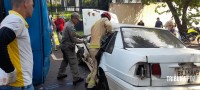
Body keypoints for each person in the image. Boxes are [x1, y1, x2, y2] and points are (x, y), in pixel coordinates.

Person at [0, 0, 34, 89]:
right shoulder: (15, 20)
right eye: (32, 4)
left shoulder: (13, 19)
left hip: (19, 84)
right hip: (19, 85)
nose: (33, 8)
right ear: (26, 3)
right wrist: (10, 71)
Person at [86, 12, 112, 89]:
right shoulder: (105, 20)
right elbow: (109, 25)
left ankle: (87, 80)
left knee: (94, 66)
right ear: (107, 17)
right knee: (96, 68)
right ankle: (91, 85)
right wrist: (109, 32)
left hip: (91, 47)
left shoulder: (95, 23)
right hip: (96, 47)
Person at [57, 12, 85, 85]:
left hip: (64, 46)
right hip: (68, 46)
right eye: (77, 20)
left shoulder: (68, 23)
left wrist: (80, 36)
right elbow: (73, 39)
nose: (78, 21)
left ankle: (60, 74)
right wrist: (83, 41)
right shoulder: (70, 26)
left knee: (65, 60)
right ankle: (76, 78)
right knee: (73, 61)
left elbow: (73, 34)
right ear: (73, 18)